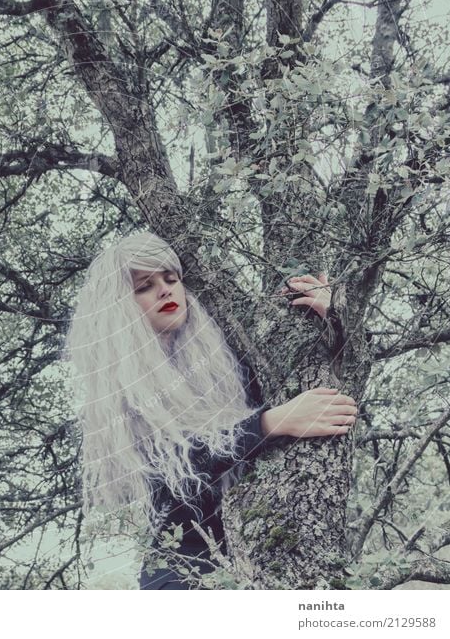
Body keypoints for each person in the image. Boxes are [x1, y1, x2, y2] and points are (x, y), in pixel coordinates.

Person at [64, 231, 357, 590]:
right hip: (182, 574)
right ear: (121, 307)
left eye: (172, 279)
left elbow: (319, 373)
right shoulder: (122, 391)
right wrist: (272, 422)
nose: (165, 290)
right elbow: (181, 467)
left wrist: (333, 316)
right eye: (144, 286)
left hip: (260, 550)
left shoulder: (222, 355)